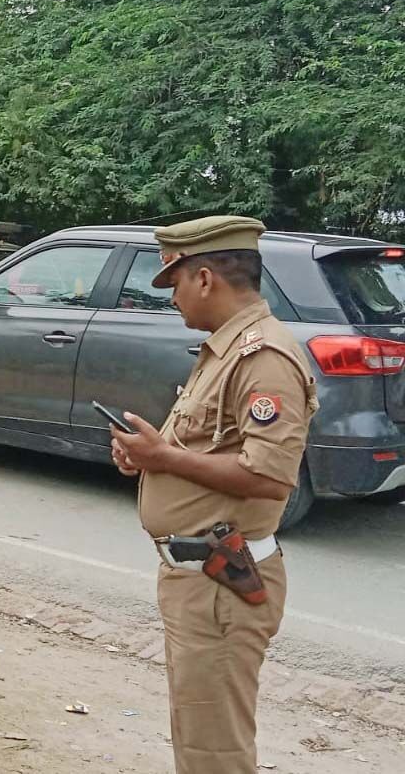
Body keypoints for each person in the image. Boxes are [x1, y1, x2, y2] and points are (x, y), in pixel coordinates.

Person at [108, 216, 318, 774]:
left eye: (173, 285)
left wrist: (163, 458)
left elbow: (270, 477)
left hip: (222, 581)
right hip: (201, 580)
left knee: (215, 754)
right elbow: (209, 450)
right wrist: (147, 459)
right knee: (199, 740)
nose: (172, 299)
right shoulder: (223, 352)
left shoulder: (262, 357)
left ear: (204, 279)